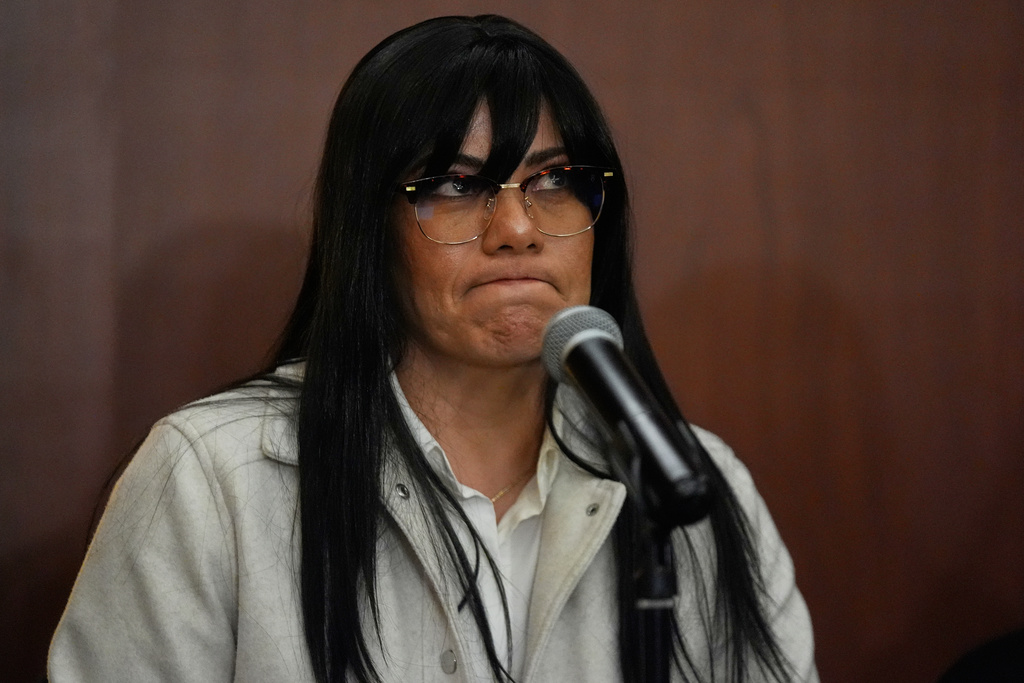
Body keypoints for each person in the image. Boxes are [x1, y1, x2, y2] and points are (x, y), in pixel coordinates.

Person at [48, 14, 817, 683]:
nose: (517, 228)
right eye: (454, 184)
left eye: (553, 180)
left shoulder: (694, 489)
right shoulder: (214, 478)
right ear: (369, 231)